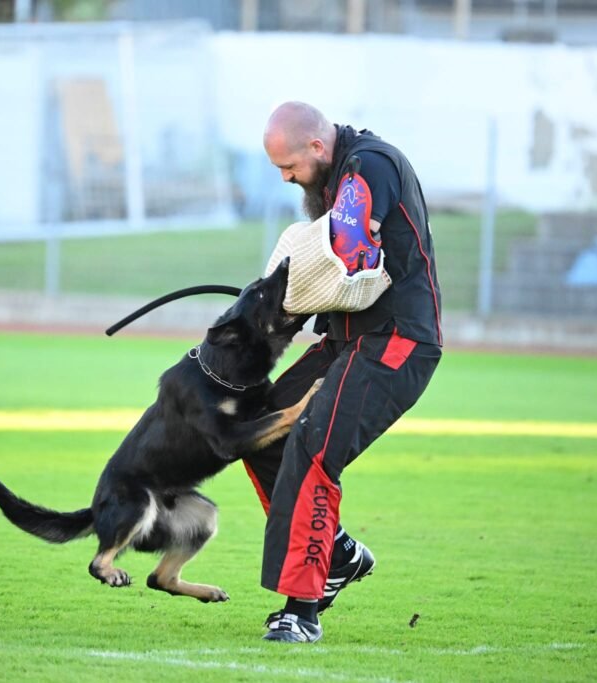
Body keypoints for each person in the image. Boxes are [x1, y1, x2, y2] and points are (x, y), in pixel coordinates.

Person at [241, 101, 443, 643]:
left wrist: (288, 295)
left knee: (312, 444)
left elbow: (349, 252)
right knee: (259, 426)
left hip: (397, 343)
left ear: (316, 146)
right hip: (348, 341)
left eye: (289, 166)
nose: (285, 178)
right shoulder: (334, 177)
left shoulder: (368, 167)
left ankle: (301, 610)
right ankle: (335, 555)